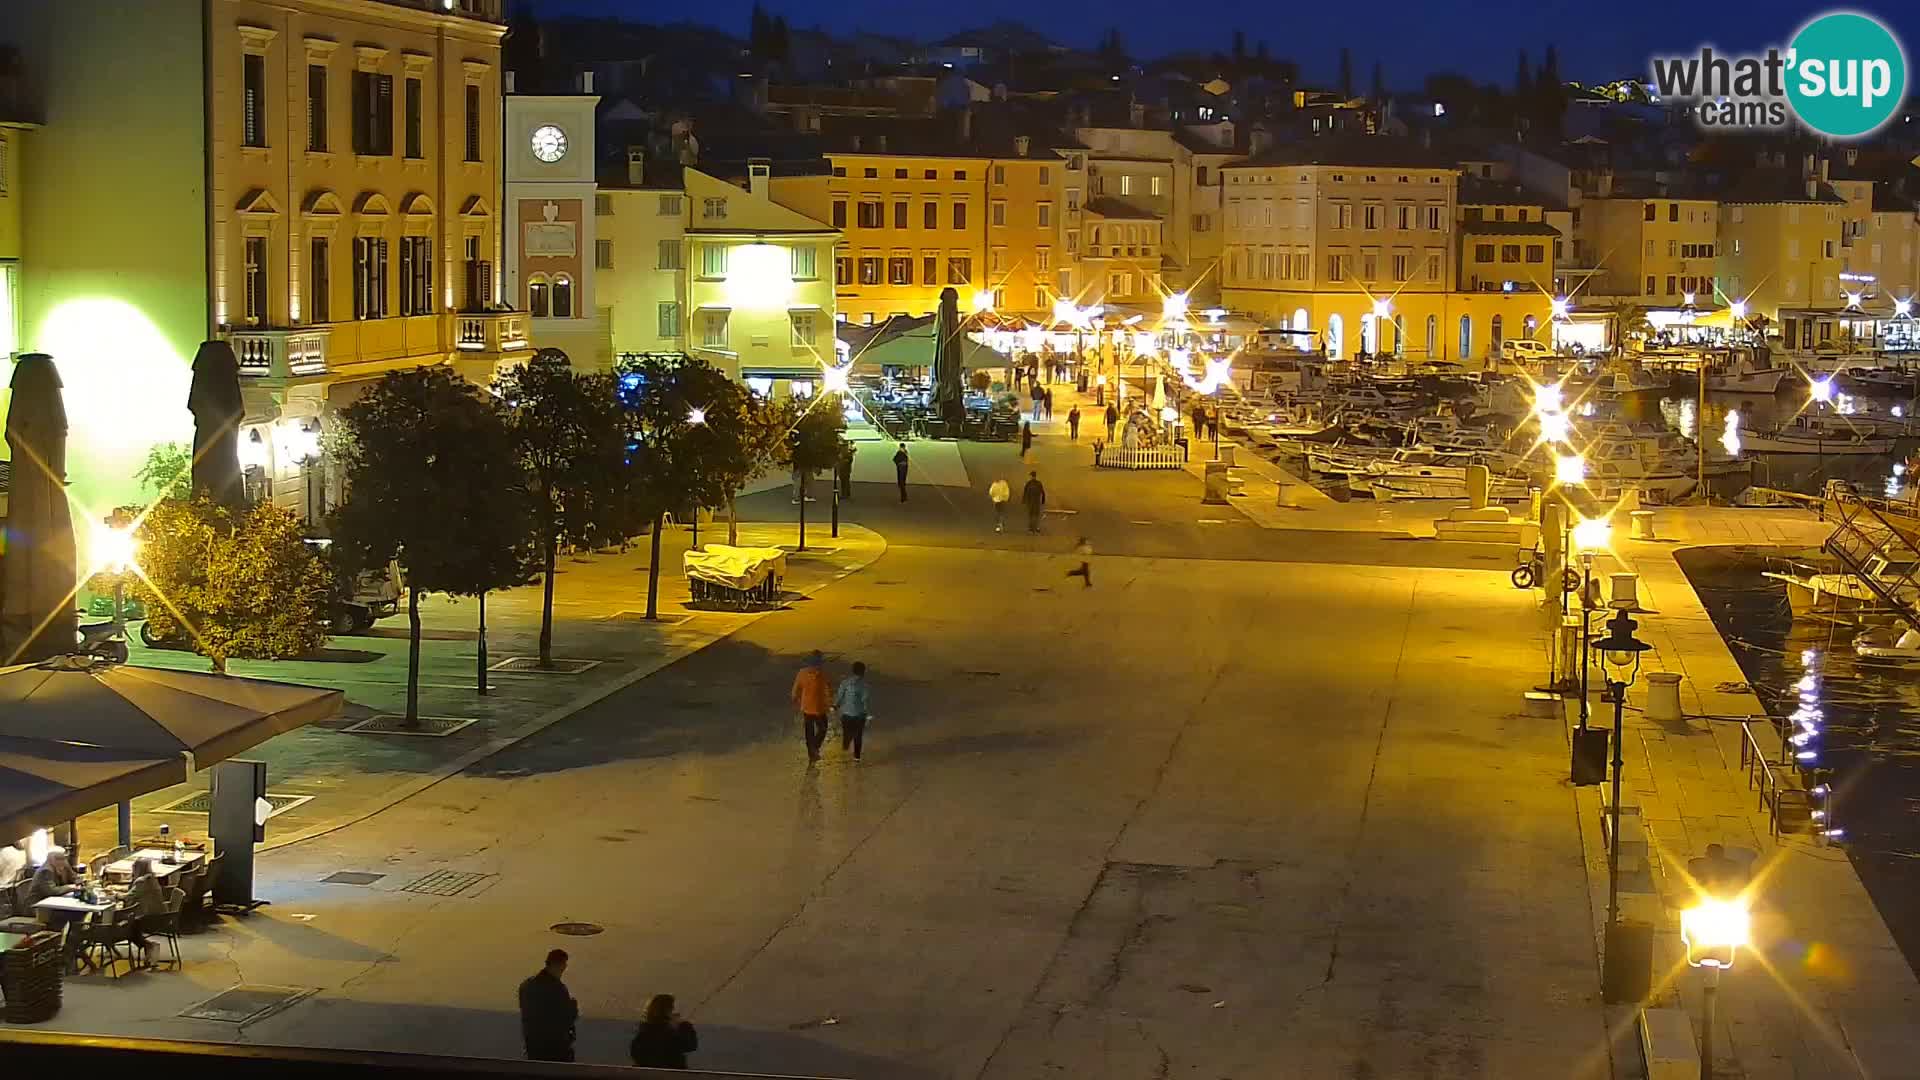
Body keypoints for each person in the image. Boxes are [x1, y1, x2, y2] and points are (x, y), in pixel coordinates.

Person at [519, 949, 579, 1062]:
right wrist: (573, 1007)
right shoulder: (558, 989)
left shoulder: (527, 985)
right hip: (556, 1049)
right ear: (559, 965)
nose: (564, 969)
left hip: (534, 1047)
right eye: (563, 965)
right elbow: (566, 1018)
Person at [629, 993, 699, 1069]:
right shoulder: (668, 1035)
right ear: (667, 1011)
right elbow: (690, 1045)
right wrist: (684, 1025)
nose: (678, 1015)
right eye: (674, 1011)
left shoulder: (644, 1032)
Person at [122, 857, 167, 969]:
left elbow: (128, 897)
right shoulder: (151, 878)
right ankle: (148, 947)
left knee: (127, 927)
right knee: (130, 925)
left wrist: (113, 894)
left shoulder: (141, 881)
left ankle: (148, 945)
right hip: (161, 915)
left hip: (149, 918)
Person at [791, 650, 832, 763]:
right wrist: (829, 703)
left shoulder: (802, 672)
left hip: (806, 707)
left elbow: (796, 689)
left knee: (809, 730)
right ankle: (814, 748)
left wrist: (795, 699)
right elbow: (827, 690)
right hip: (819, 708)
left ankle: (812, 752)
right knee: (823, 728)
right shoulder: (822, 674)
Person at [835, 660, 872, 761]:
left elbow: (839, 697)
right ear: (863, 672)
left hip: (846, 714)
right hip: (859, 715)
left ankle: (845, 746)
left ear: (852, 671)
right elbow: (865, 701)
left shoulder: (845, 683)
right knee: (858, 736)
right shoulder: (865, 685)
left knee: (847, 732)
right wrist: (868, 715)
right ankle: (856, 757)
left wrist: (835, 706)